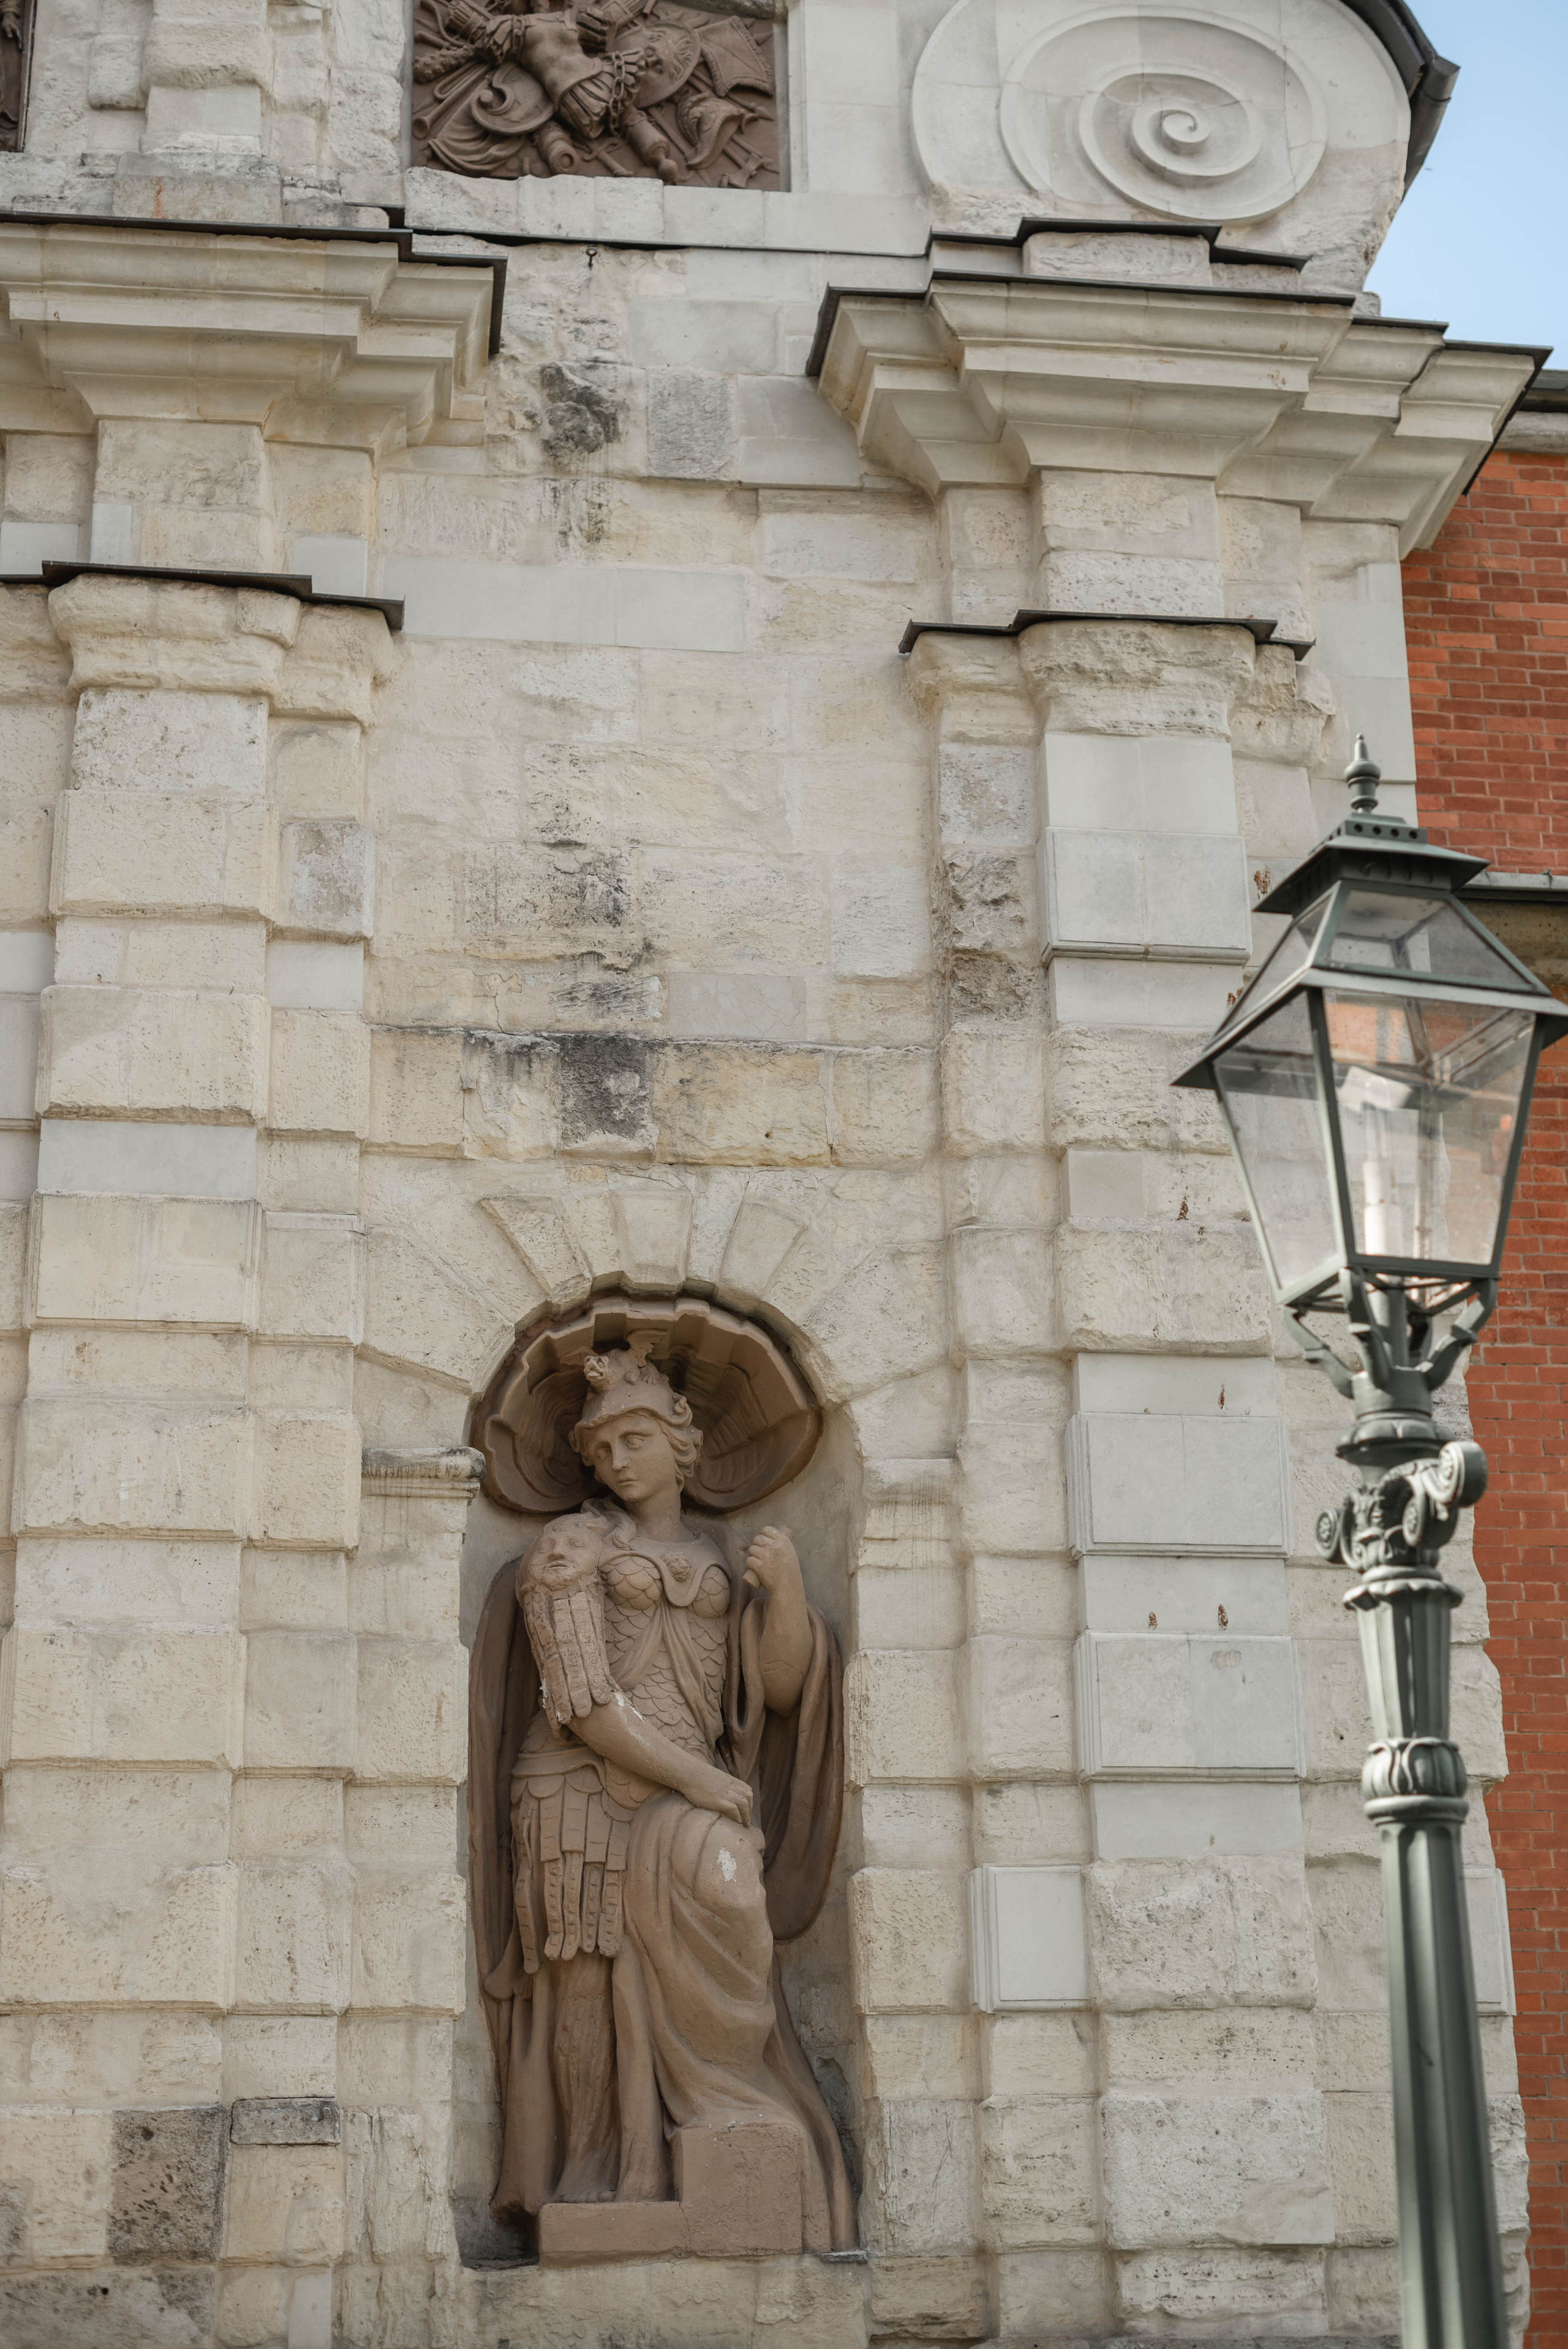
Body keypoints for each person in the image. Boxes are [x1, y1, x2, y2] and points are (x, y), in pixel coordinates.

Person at [468, 1336, 854, 2248]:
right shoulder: (571, 1547)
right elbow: (584, 1701)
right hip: (582, 1788)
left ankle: (722, 2113)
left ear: (682, 1443)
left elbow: (783, 1688)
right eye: (601, 1448)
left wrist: (787, 1590)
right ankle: (599, 2176)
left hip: (693, 1785)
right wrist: (704, 1781)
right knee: (592, 1982)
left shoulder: (721, 1548)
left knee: (728, 1898)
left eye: (633, 1437)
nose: (615, 1458)